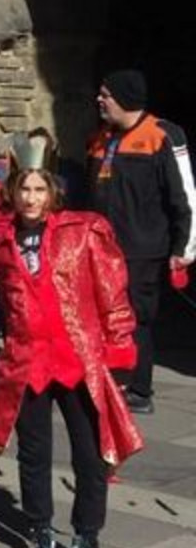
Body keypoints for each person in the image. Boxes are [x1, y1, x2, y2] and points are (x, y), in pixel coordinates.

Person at [0, 144, 143, 548]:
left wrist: (120, 352)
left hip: (78, 360)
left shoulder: (84, 231)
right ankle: (39, 533)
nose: (31, 197)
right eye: (23, 188)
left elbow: (112, 293)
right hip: (29, 362)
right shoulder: (1, 241)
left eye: (39, 189)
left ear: (53, 192)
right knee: (34, 455)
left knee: (90, 457)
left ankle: (87, 538)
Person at [85, 69, 196, 414]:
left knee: (136, 319)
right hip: (100, 246)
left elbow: (186, 197)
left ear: (126, 98)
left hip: (142, 248)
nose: (99, 100)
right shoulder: (100, 137)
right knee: (100, 316)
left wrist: (184, 249)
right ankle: (108, 378)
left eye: (106, 95)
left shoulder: (161, 135)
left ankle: (138, 389)